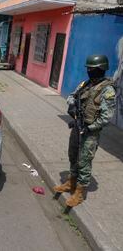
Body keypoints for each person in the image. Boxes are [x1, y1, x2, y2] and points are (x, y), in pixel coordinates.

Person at [53, 55, 116, 207]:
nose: (88, 71)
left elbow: (106, 117)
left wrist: (90, 127)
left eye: (91, 69)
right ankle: (70, 182)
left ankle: (80, 193)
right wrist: (73, 105)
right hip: (77, 126)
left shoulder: (107, 90)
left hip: (90, 132)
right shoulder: (85, 84)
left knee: (84, 161)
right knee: (73, 155)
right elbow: (71, 97)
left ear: (100, 69)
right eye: (87, 68)